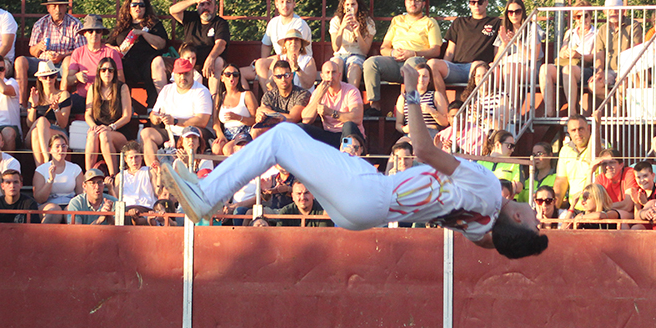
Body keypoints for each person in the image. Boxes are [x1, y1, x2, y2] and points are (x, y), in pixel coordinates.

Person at [158, 64, 548, 259]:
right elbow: (497, 244)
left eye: (534, 220)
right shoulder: (484, 231)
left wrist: (411, 92)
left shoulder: (487, 192)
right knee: (288, 144)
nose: (536, 214)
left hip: (370, 194)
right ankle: (207, 195)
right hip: (362, 211)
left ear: (516, 219)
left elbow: (424, 150)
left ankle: (207, 196)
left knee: (281, 135)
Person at [362, 0, 441, 115]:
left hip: (416, 60)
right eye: (410, 0)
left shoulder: (429, 22)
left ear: (423, 4)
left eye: (417, 0)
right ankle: (374, 106)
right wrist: (393, 53)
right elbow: (384, 47)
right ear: (405, 2)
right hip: (394, 61)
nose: (413, 3)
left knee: (411, 63)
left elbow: (436, 50)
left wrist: (413, 53)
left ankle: (409, 107)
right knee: (370, 63)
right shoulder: (397, 20)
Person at [14, 0, 83, 108]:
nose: (58, 9)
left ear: (66, 7)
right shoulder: (40, 24)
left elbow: (81, 51)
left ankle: (61, 103)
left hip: (62, 64)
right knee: (20, 61)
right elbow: (32, 51)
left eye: (61, 6)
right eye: (54, 6)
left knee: (68, 61)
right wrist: (38, 47)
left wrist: (62, 56)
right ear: (48, 8)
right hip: (42, 63)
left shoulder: (75, 24)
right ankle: (22, 105)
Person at [429, 0, 499, 103]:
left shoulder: (495, 22)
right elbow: (450, 51)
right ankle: (444, 104)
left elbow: (498, 49)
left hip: (479, 67)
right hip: (457, 68)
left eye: (480, 2)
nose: (476, 5)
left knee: (477, 65)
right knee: (432, 64)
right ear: (469, 4)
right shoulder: (459, 22)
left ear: (486, 3)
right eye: (473, 2)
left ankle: (473, 105)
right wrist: (446, 64)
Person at [141, 58, 213, 169]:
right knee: (146, 133)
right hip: (171, 133)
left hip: (194, 133)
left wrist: (175, 121)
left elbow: (202, 121)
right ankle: (155, 171)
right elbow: (153, 114)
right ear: (174, 75)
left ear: (192, 74)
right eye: (179, 74)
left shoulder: (201, 91)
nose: (182, 77)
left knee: (193, 133)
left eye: (186, 74)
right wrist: (157, 118)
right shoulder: (167, 89)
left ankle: (191, 168)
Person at [539, 1, 596, 115]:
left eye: (585, 15)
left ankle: (572, 112)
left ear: (590, 16)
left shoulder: (596, 34)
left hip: (585, 68)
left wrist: (579, 55)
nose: (581, 19)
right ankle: (549, 112)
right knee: (545, 68)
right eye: (577, 16)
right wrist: (565, 53)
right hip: (567, 66)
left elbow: (595, 57)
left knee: (568, 69)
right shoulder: (570, 32)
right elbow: (561, 53)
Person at [108, 0, 169, 98]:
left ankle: (155, 105)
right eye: (134, 5)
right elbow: (107, 45)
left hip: (148, 62)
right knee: (116, 67)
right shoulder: (122, 26)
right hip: (126, 63)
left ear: (146, 8)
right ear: (129, 8)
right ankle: (124, 105)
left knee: (154, 65)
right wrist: (114, 49)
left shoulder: (154, 24)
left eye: (141, 5)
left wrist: (143, 34)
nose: (138, 7)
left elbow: (161, 44)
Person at [169, 0, 230, 96]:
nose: (205, 7)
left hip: (209, 65)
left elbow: (221, 44)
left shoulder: (220, 23)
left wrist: (211, 58)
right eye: (202, 4)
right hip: (188, 62)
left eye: (209, 4)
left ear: (215, 7)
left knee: (218, 61)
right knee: (158, 62)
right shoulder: (191, 18)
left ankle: (213, 102)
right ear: (197, 6)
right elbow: (172, 10)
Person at [63, 15, 124, 111]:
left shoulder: (111, 53)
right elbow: (69, 80)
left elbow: (121, 80)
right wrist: (77, 77)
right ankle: (59, 125)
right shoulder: (78, 52)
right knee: (63, 105)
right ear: (85, 34)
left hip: (104, 99)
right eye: (90, 31)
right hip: (83, 97)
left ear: (102, 34)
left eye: (98, 31)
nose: (94, 34)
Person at [84, 58, 133, 177]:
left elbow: (127, 116)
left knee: (104, 135)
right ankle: (89, 175)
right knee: (92, 134)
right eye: (104, 70)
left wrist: (111, 127)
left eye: (110, 70)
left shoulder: (122, 88)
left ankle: (113, 175)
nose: (107, 73)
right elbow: (88, 114)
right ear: (99, 72)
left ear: (114, 73)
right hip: (100, 130)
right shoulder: (93, 88)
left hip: (119, 131)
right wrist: (94, 126)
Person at [589, 0, 643, 103]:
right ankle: (616, 104)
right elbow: (599, 54)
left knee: (622, 84)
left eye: (616, 9)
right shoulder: (603, 29)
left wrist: (623, 72)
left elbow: (635, 49)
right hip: (609, 70)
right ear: (605, 12)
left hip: (628, 69)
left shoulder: (633, 25)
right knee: (593, 85)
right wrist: (599, 71)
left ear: (623, 11)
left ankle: (620, 112)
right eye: (610, 10)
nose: (613, 12)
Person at [254, 0, 314, 84]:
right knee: (259, 64)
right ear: (276, 4)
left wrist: (269, 61)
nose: (285, 5)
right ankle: (269, 97)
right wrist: (264, 61)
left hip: (298, 61)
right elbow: (266, 44)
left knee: (267, 63)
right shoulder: (273, 22)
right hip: (280, 59)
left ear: (294, 4)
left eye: (288, 2)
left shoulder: (300, 24)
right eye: (281, 2)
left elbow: (293, 51)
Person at [25, 60, 73, 166]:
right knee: (40, 123)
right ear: (39, 78)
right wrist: (34, 106)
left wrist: (56, 109)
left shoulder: (63, 95)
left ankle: (41, 169)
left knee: (36, 133)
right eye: (45, 77)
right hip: (37, 130)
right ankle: (47, 157)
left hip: (56, 130)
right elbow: (29, 123)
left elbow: (63, 124)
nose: (48, 80)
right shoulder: (35, 96)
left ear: (56, 76)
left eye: (51, 76)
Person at [328, 0, 375, 92]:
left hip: (357, 55)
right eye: (347, 5)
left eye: (353, 4)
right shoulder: (336, 21)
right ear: (343, 7)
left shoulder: (368, 22)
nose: (350, 7)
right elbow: (335, 48)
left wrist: (357, 32)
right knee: (336, 64)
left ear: (358, 5)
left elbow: (365, 51)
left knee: (354, 65)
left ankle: (352, 98)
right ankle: (336, 98)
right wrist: (342, 28)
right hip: (340, 55)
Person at [302, 58, 363, 137]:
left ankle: (348, 149)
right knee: (302, 127)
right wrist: (319, 96)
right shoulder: (318, 92)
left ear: (339, 75)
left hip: (349, 136)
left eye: (334, 72)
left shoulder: (351, 90)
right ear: (322, 76)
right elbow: (306, 119)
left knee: (348, 126)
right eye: (327, 73)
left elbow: (357, 118)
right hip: (329, 134)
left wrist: (331, 112)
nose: (331, 76)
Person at [33, 133, 82, 222]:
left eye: (63, 146)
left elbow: (81, 195)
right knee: (54, 211)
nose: (61, 150)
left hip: (70, 203)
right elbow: (39, 198)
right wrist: (50, 180)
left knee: (72, 212)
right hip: (48, 204)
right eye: (57, 147)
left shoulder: (75, 168)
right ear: (50, 150)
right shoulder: (41, 170)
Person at [553, 114, 599, 208]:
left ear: (589, 128)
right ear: (569, 132)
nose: (577, 133)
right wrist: (554, 209)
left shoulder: (601, 144)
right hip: (574, 207)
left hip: (596, 207)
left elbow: (593, 158)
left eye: (581, 129)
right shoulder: (565, 150)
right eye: (573, 130)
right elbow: (561, 180)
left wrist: (597, 127)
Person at [211, 64, 257, 156]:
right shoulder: (220, 97)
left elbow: (255, 120)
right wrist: (220, 135)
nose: (232, 77)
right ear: (222, 78)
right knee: (216, 148)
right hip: (226, 132)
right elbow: (215, 121)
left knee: (228, 149)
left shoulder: (246, 95)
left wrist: (238, 117)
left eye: (235, 74)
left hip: (244, 132)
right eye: (228, 74)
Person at [253, 59, 309, 135]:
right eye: (279, 76)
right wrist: (260, 116)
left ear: (291, 76)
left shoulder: (302, 94)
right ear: (274, 78)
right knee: (255, 130)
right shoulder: (269, 95)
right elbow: (262, 113)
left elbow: (292, 119)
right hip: (273, 129)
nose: (283, 79)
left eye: (286, 75)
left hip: (294, 131)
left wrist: (269, 113)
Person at [395, 64, 445, 138]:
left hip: (430, 131)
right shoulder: (403, 97)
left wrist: (432, 111)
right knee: (399, 148)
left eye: (425, 76)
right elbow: (398, 124)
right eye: (418, 76)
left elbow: (445, 122)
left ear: (430, 79)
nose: (421, 79)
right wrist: (405, 129)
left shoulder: (436, 95)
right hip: (411, 133)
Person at [259, 28, 316, 92]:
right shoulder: (278, 59)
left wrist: (297, 69)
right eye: (290, 39)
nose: (293, 42)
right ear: (285, 44)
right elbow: (269, 85)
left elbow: (308, 85)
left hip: (303, 97)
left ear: (301, 44)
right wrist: (276, 74)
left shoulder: (308, 60)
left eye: (296, 40)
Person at [115, 140, 157, 221]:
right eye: (131, 158)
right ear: (125, 159)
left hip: (146, 209)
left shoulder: (149, 171)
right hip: (126, 210)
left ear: (141, 156)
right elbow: (116, 199)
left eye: (136, 157)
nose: (134, 161)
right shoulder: (120, 176)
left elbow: (157, 192)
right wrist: (110, 188)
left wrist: (158, 174)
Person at [477, 129, 524, 197]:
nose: (512, 150)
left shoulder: (515, 163)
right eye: (509, 146)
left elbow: (518, 187)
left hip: (505, 202)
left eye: (513, 147)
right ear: (498, 145)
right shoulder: (480, 162)